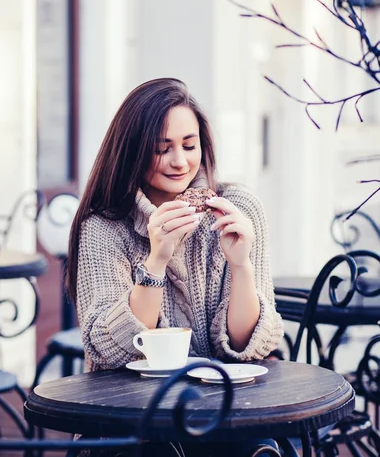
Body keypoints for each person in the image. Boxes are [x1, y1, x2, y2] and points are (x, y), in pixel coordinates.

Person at [67, 78, 284, 457]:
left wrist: (241, 265)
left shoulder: (237, 208)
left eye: (189, 145)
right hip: (133, 423)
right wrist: (156, 260)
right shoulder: (103, 226)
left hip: (225, 416)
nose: (180, 161)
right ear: (132, 151)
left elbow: (249, 348)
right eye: (161, 149)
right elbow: (109, 352)